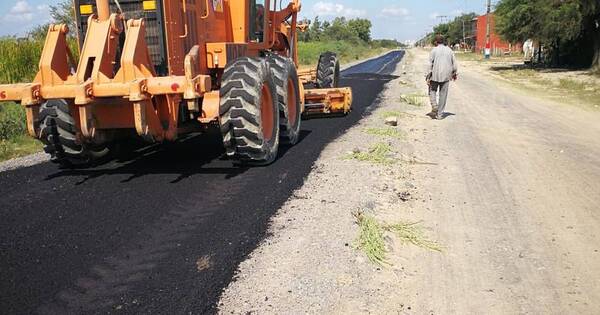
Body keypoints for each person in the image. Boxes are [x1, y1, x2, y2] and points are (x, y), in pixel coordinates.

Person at [426, 35, 458, 120]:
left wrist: (428, 76)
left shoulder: (434, 50)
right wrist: (454, 73)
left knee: (431, 90)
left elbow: (430, 64)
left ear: (436, 42)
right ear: (443, 41)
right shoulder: (450, 50)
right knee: (443, 95)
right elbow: (454, 64)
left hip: (435, 75)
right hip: (446, 76)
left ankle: (434, 105)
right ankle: (440, 115)